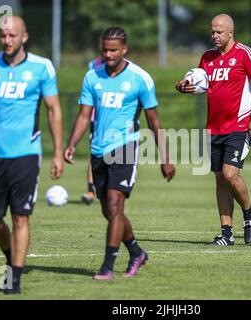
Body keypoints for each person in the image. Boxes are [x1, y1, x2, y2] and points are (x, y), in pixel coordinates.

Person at [0, 16, 64, 294]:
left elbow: (53, 110)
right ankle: (10, 254)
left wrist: (56, 153)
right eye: (3, 36)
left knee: (20, 217)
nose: (7, 41)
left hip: (27, 154)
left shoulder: (42, 67)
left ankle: (14, 277)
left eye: (12, 36)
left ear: (24, 37)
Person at [64, 27, 176, 280]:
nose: (108, 54)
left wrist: (165, 157)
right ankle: (136, 251)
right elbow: (84, 115)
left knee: (115, 207)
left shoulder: (140, 79)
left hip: (125, 147)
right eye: (105, 49)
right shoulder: (92, 77)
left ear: (125, 49)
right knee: (109, 212)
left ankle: (107, 267)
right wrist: (71, 144)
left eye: (113, 50)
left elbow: (154, 122)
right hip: (97, 150)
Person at [175, 14, 251, 245]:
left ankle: (249, 214)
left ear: (230, 33)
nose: (214, 36)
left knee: (230, 174)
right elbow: (200, 83)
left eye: (218, 32)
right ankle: (226, 233)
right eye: (212, 32)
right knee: (219, 179)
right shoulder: (207, 57)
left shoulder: (244, 53)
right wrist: (183, 86)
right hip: (214, 127)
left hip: (238, 125)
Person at [81, 56, 104, 205]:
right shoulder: (93, 65)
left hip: (116, 118)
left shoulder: (126, 66)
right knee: (94, 153)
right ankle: (91, 190)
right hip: (96, 118)